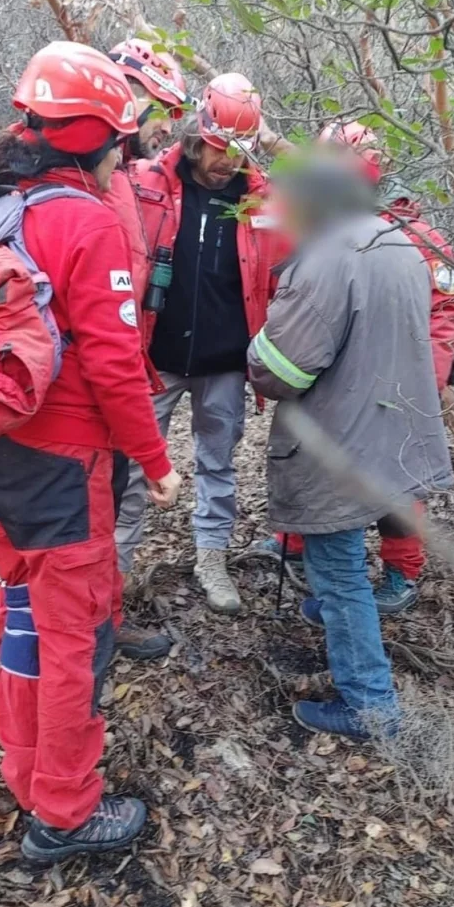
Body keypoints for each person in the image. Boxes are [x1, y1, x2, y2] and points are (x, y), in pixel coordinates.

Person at [0, 41, 181, 862]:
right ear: (98, 140)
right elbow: (117, 367)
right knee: (72, 636)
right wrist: (155, 462)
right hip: (62, 467)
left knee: (23, 619)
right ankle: (66, 810)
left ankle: (25, 765)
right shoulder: (83, 219)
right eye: (122, 135)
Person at [248, 153, 453, 739]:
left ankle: (370, 704)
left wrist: (255, 350)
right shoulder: (395, 241)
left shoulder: (327, 259)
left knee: (337, 567)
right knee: (344, 559)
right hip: (394, 433)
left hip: (341, 438)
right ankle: (340, 624)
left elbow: (281, 371)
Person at [253, 121, 454, 616]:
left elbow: (447, 312)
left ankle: (401, 570)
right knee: (315, 458)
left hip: (398, 382)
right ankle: (297, 545)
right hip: (336, 374)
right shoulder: (324, 225)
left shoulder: (417, 236)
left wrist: (424, 379)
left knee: (397, 485)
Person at [114, 73, 279, 614]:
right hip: (153, 356)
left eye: (238, 149)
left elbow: (290, 264)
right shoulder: (146, 182)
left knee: (218, 464)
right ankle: (115, 564)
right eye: (217, 146)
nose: (226, 160)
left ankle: (212, 558)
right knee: (135, 463)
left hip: (226, 360)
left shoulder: (263, 202)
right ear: (194, 136)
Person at [105, 38, 190, 660]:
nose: (161, 125)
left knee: (108, 501)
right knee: (65, 523)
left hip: (119, 366)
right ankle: (40, 642)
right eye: (155, 104)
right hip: (82, 386)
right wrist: (155, 454)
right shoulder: (80, 181)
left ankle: (101, 615)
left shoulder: (118, 178)